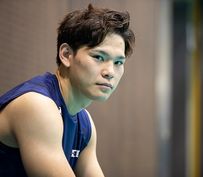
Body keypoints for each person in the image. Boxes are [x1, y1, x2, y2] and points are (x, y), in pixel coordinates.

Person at [0, 4, 135, 177]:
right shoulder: (37, 106)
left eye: (118, 62)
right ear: (66, 55)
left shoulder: (85, 125)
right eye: (98, 57)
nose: (109, 72)